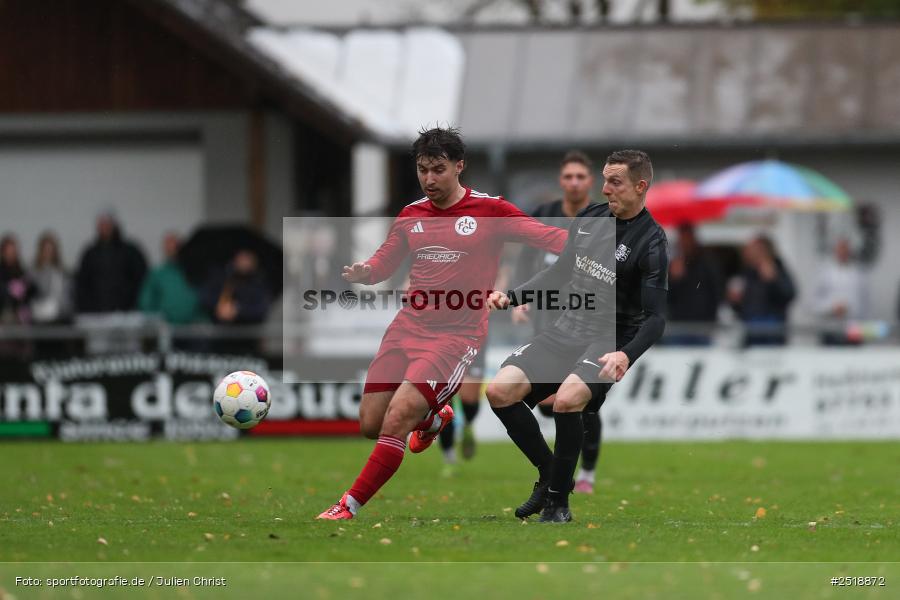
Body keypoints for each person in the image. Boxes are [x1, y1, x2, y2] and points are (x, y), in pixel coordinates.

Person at [317, 126, 567, 520]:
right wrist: (366, 271)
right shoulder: (411, 215)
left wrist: (597, 246)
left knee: (397, 419)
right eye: (422, 170)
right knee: (371, 423)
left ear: (459, 166)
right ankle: (435, 416)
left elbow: (550, 238)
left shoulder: (491, 211)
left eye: (438, 170)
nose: (429, 179)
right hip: (406, 328)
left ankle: (347, 505)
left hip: (455, 336)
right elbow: (384, 262)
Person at [485, 150, 668, 523]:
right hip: (566, 328)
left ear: (640, 185)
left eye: (615, 182)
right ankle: (552, 475)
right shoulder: (589, 219)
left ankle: (557, 504)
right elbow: (559, 273)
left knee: (566, 401)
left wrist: (625, 355)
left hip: (609, 339)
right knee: (499, 391)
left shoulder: (652, 241)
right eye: (604, 180)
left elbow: (656, 318)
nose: (605, 189)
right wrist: (513, 296)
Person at [510, 150, 603, 494]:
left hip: (588, 319)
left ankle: (587, 474)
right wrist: (519, 299)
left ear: (590, 182)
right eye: (569, 177)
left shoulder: (601, 218)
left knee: (585, 399)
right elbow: (526, 260)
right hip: (548, 317)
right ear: (561, 181)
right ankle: (556, 468)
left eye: (581, 176)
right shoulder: (545, 216)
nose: (575, 182)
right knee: (551, 402)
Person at [727, 235, 795, 346]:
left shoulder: (778, 269)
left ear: (764, 251)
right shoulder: (746, 273)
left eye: (753, 249)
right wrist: (735, 301)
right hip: (749, 330)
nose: (748, 253)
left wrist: (773, 281)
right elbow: (740, 307)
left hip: (772, 331)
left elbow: (789, 295)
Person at [75, 211, 148, 313]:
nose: (105, 227)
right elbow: (82, 285)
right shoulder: (89, 254)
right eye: (102, 224)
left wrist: (133, 304)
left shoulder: (131, 251)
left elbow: (143, 281)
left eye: (107, 223)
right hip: (96, 314)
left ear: (114, 225)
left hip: (126, 314)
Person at [665, 222, 722, 345]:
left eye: (687, 237)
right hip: (679, 324)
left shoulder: (707, 262)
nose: (685, 242)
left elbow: (716, 290)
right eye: (682, 238)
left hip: (703, 324)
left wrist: (712, 316)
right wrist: (673, 279)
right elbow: (666, 297)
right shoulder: (674, 264)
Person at [139, 232, 205, 325]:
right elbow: (146, 303)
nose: (173, 249)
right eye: (168, 246)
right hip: (167, 330)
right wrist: (156, 322)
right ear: (164, 249)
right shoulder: (157, 274)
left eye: (176, 246)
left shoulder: (195, 271)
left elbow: (205, 297)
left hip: (194, 329)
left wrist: (203, 319)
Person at [813, 238, 868, 345]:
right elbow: (813, 302)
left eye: (845, 249)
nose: (843, 252)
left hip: (854, 328)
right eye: (840, 249)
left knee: (854, 360)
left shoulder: (859, 274)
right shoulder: (824, 273)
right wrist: (832, 308)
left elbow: (865, 302)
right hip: (830, 328)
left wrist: (851, 311)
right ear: (835, 251)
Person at [30, 232, 72, 325]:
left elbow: (66, 295)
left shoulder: (62, 272)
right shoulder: (34, 272)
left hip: (60, 318)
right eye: (46, 249)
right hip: (39, 319)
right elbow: (35, 292)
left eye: (51, 249)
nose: (48, 252)